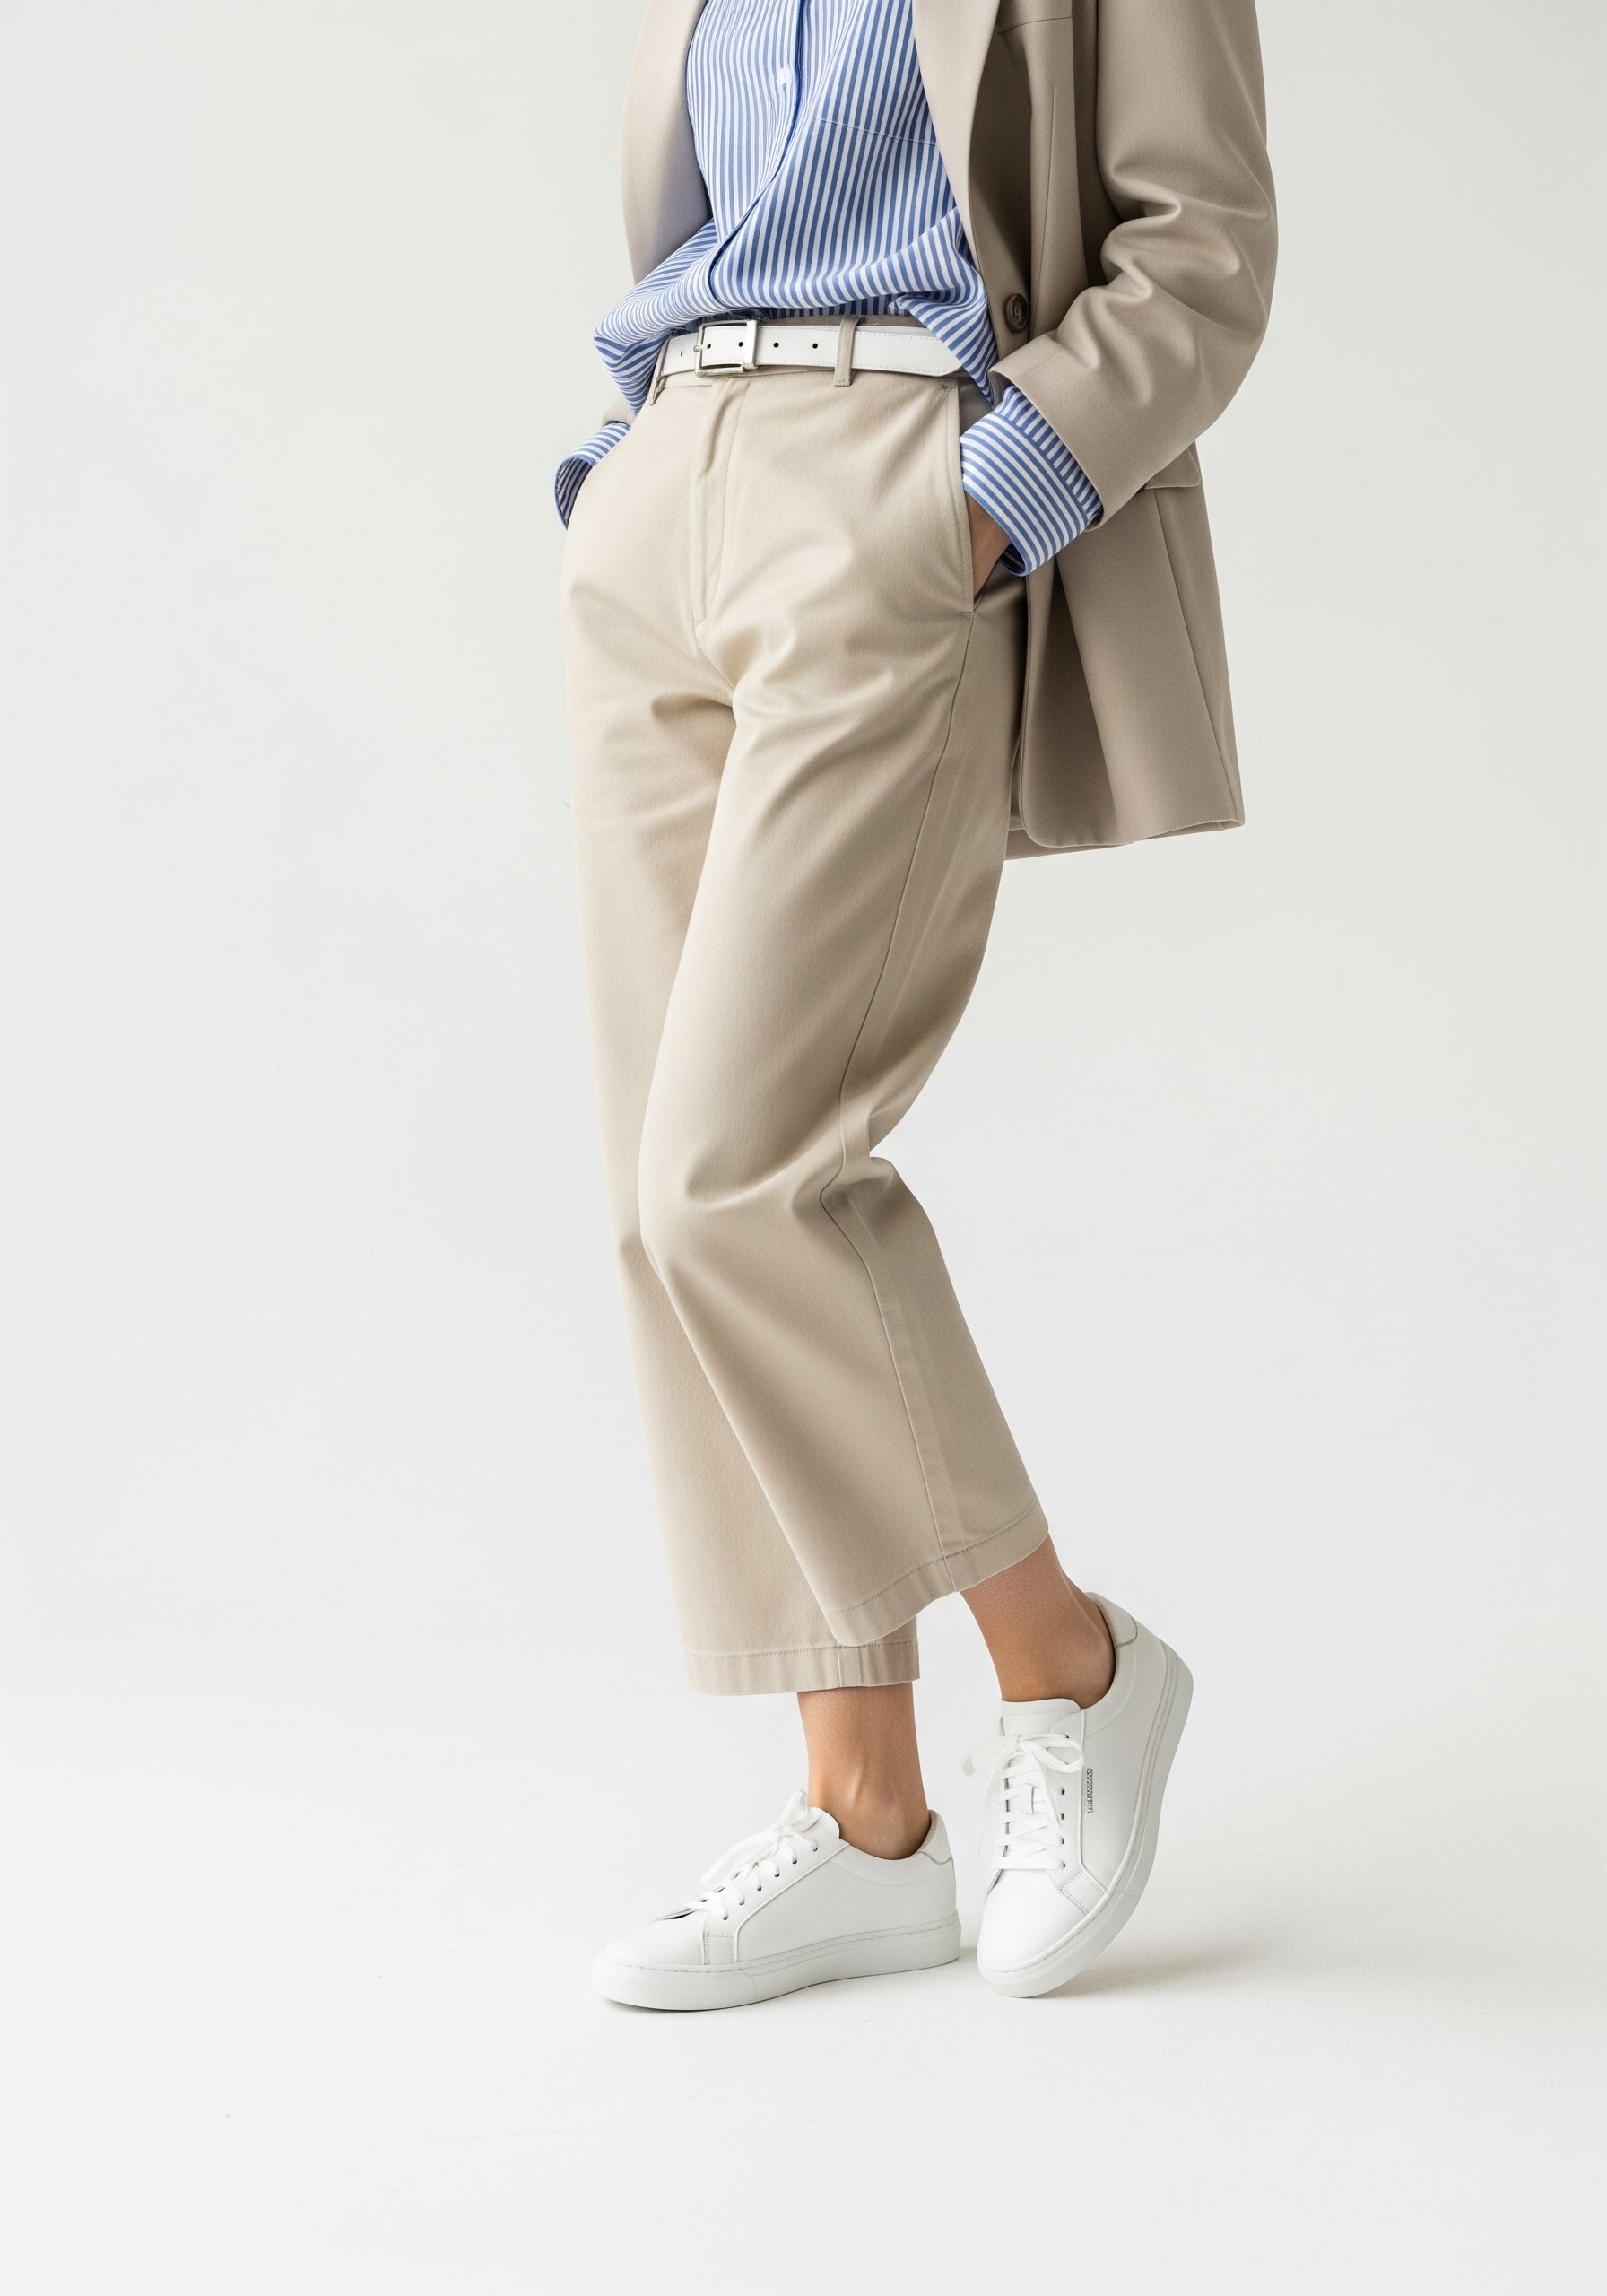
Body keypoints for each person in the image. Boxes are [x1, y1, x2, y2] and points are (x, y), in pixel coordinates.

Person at [556, 0, 1275, 2009]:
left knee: (737, 1176)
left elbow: (1203, 247)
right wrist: (621, 473)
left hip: (892, 476)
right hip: (665, 492)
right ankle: (865, 1812)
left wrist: (977, 501)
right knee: (659, 1203)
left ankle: (1069, 1662)